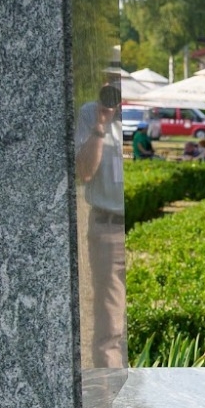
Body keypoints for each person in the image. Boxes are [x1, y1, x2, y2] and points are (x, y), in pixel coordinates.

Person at [75, 72, 128, 367]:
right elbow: (84, 172)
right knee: (110, 327)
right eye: (113, 82)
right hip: (108, 229)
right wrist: (100, 126)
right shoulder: (91, 114)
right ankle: (110, 392)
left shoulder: (143, 112)